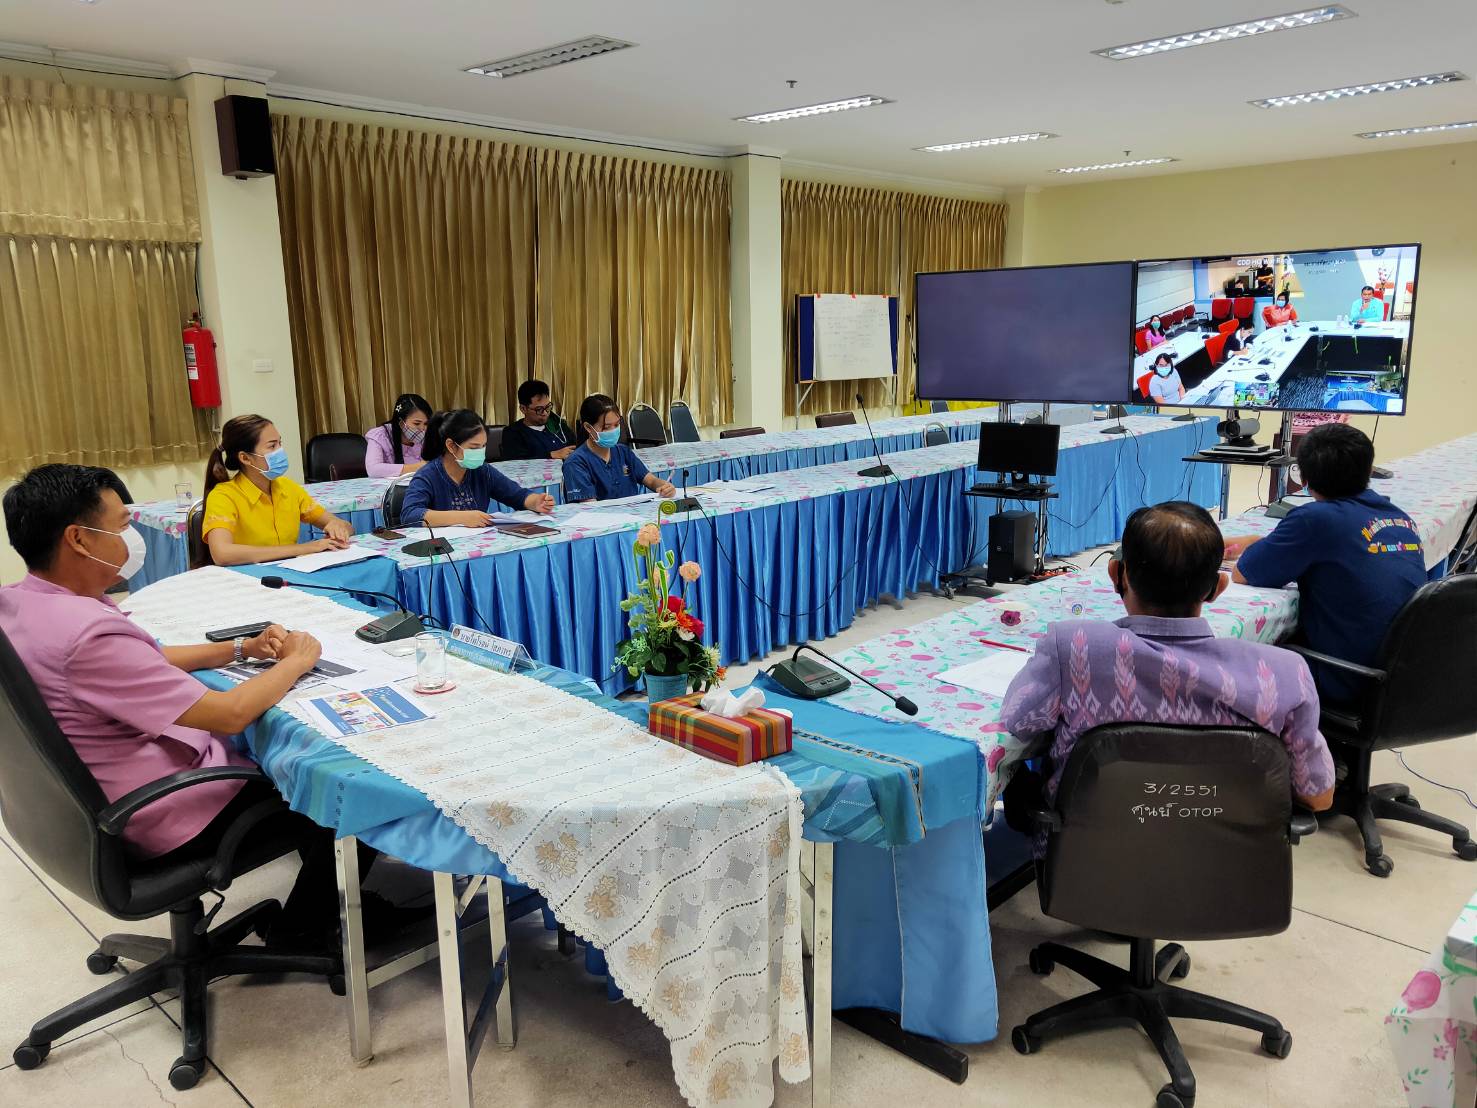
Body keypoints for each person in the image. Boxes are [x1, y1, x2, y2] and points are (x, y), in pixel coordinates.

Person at [0, 463, 384, 947]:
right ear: (78, 539)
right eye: (122, 526)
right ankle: (304, 929)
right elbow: (229, 714)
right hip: (163, 809)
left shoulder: (23, 603)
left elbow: (142, 660)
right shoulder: (87, 633)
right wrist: (297, 661)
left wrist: (239, 648)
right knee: (345, 780)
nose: (131, 539)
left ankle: (328, 901)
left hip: (74, 809)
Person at [997, 501, 1335, 850]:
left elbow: (1018, 721)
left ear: (1116, 574)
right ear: (1218, 587)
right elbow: (1318, 796)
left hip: (1088, 864)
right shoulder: (1285, 673)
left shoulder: (1072, 648)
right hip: (1227, 868)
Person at [1224, 424, 1426, 705]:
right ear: (1369, 471)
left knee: (1232, 662)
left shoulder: (1314, 519)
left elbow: (1245, 573)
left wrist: (1259, 547)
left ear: (1303, 478)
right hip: (1404, 681)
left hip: (1349, 679)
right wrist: (1261, 542)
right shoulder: (1401, 520)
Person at [202, 415, 355, 566]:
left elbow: (345, 526)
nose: (280, 451)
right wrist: (305, 548)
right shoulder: (224, 496)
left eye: (280, 443)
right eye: (272, 446)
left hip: (291, 571)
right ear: (245, 458)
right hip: (247, 576)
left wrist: (339, 527)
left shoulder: (288, 488)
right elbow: (222, 554)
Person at [400, 408, 555, 527]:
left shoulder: (482, 471)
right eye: (474, 447)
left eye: (483, 446)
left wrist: (536, 502)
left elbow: (516, 495)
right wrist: (463, 518)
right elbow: (410, 514)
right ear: (451, 446)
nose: (480, 453)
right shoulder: (428, 475)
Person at [562, 394, 677, 503]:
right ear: (588, 427)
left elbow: (650, 480)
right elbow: (590, 506)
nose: (613, 430)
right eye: (607, 427)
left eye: (617, 425)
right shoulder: (575, 463)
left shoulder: (623, 452)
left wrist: (665, 487)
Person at [501, 380, 576, 462]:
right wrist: (551, 455)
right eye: (539, 409)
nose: (545, 413)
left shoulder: (558, 425)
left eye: (548, 407)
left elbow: (576, 446)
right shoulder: (513, 432)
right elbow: (516, 462)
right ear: (523, 409)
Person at [364, 393, 432, 478]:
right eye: (417, 423)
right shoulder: (380, 435)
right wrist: (417, 467)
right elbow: (373, 469)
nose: (422, 428)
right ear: (401, 422)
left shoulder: (429, 435)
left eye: (426, 424)